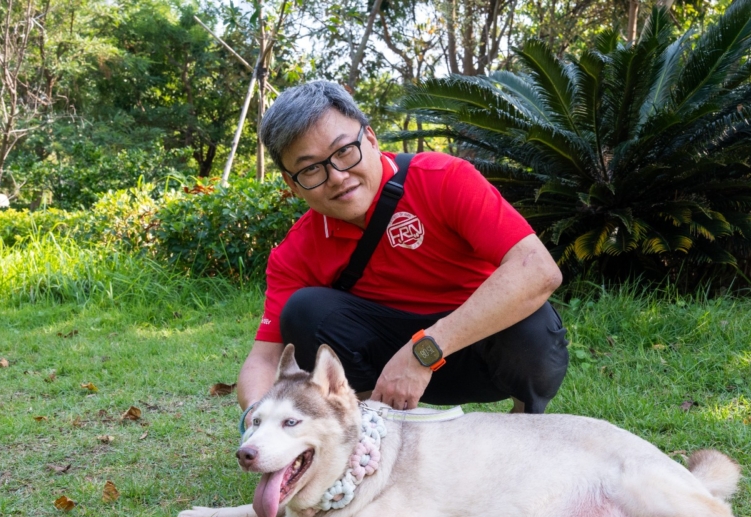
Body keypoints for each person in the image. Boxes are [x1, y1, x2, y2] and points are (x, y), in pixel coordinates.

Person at [237, 81, 568, 427]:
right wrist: (258, 424)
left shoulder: (442, 178)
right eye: (310, 169)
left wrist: (422, 353)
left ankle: (523, 422)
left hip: (477, 351)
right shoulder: (296, 251)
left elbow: (538, 269)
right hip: (382, 369)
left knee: (532, 324)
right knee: (305, 311)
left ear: (371, 139)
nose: (337, 176)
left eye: (345, 150)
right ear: (292, 184)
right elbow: (263, 359)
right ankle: (371, 428)